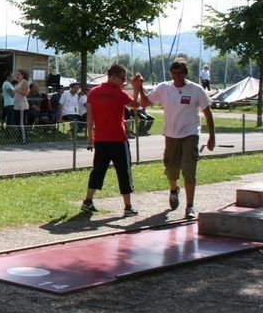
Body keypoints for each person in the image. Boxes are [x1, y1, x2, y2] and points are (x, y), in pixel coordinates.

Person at [135, 58, 215, 220]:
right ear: (171, 73)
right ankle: (174, 189)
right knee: (171, 169)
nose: (177, 76)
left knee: (188, 168)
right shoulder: (164, 87)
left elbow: (207, 113)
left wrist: (212, 136)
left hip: (190, 133)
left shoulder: (196, 89)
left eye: (180, 73)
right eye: (174, 73)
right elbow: (144, 103)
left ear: (186, 73)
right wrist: (140, 87)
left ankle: (190, 206)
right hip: (171, 134)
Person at [80, 64, 142, 217]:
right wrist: (136, 88)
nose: (123, 82)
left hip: (100, 139)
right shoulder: (119, 93)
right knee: (124, 171)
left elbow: (90, 116)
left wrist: (90, 136)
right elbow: (136, 105)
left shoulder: (93, 92)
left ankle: (88, 201)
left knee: (98, 170)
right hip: (118, 139)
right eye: (122, 79)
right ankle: (128, 207)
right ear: (113, 77)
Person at [13, 69, 30, 143]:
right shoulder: (18, 82)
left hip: (22, 106)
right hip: (16, 105)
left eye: (18, 74)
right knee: (17, 123)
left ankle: (24, 139)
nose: (17, 76)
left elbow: (26, 93)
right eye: (16, 74)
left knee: (21, 123)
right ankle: (19, 137)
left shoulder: (24, 82)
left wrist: (17, 90)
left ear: (22, 75)